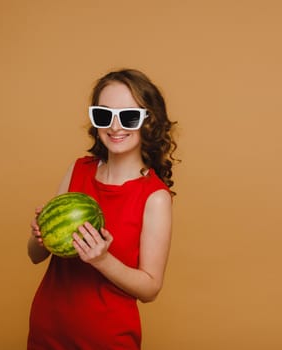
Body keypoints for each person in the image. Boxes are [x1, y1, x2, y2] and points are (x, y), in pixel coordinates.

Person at [27, 68, 179, 349]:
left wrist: (102, 260)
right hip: (47, 329)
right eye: (104, 115)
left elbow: (150, 289)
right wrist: (40, 234)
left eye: (129, 116)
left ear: (149, 122)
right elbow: (35, 255)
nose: (115, 126)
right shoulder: (77, 170)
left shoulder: (154, 197)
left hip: (106, 339)